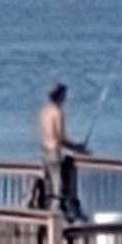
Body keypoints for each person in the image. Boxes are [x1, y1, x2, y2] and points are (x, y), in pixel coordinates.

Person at [37, 81, 85, 220]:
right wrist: (78, 148)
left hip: (45, 154)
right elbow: (59, 138)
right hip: (55, 155)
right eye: (65, 94)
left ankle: (46, 221)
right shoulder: (57, 112)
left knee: (49, 190)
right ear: (61, 96)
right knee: (59, 192)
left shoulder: (44, 111)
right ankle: (57, 223)